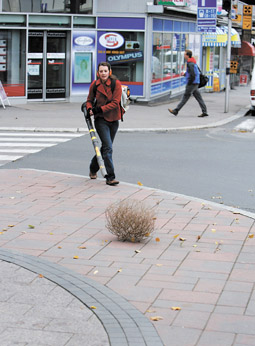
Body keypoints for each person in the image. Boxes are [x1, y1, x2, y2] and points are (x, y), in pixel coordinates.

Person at [85, 62, 122, 186]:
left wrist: (99, 109)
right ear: (98, 73)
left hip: (114, 119)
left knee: (105, 148)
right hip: (101, 120)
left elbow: (116, 102)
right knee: (108, 148)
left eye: (105, 71)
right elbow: (89, 100)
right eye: (101, 71)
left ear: (109, 72)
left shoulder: (116, 84)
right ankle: (110, 177)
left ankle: (93, 167)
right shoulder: (94, 85)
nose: (103, 73)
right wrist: (90, 108)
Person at [168, 49, 208, 118]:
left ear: (187, 55)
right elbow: (193, 72)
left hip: (192, 84)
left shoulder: (190, 63)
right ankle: (204, 112)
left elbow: (192, 74)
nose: (184, 55)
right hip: (196, 83)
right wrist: (185, 74)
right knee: (199, 98)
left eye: (184, 54)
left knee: (185, 97)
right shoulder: (193, 62)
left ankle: (176, 110)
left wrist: (189, 82)